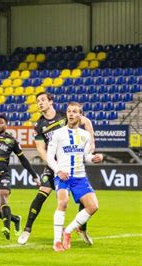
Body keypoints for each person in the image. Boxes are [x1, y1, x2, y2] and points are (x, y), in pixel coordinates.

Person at [18, 92, 95, 245]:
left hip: (72, 164)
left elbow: (86, 122)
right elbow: (40, 148)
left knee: (83, 198)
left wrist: (92, 142)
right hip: (54, 166)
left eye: (42, 100)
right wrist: (54, 165)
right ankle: (27, 230)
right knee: (41, 195)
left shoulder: (64, 115)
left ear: (50, 101)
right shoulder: (39, 125)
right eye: (37, 101)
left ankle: (82, 228)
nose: (40, 103)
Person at [46, 102, 103, 252]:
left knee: (93, 206)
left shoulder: (85, 136)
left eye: (74, 111)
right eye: (69, 111)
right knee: (63, 202)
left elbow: (86, 156)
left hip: (80, 177)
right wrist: (58, 171)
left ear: (80, 115)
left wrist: (94, 158)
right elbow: (49, 157)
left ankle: (68, 231)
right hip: (63, 176)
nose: (71, 114)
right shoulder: (57, 134)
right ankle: (57, 241)